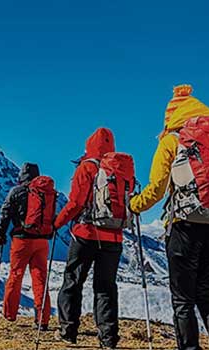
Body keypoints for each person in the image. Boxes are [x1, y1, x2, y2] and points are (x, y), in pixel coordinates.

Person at [128, 85, 209, 350]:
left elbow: (156, 189)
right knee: (208, 296)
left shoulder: (172, 141)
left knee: (182, 301)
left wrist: (135, 205)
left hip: (185, 229)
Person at [52, 127, 124, 348]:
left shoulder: (87, 167)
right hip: (113, 237)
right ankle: (108, 338)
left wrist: (57, 223)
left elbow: (75, 203)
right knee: (106, 287)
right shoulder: (119, 168)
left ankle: (68, 331)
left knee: (73, 281)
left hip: (86, 234)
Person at [0, 163, 52, 330]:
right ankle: (43, 319)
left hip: (21, 240)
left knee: (16, 275)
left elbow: (5, 214)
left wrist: (0, 234)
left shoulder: (16, 191)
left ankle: (10, 314)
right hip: (42, 241)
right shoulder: (44, 193)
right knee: (40, 278)